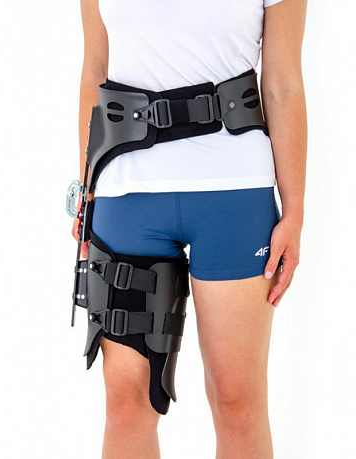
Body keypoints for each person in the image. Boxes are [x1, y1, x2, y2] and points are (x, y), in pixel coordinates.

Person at [72, 0, 308, 457]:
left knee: (237, 403)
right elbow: (94, 69)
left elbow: (283, 82)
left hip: (235, 195)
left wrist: (294, 209)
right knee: (126, 405)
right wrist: (87, 190)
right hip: (127, 193)